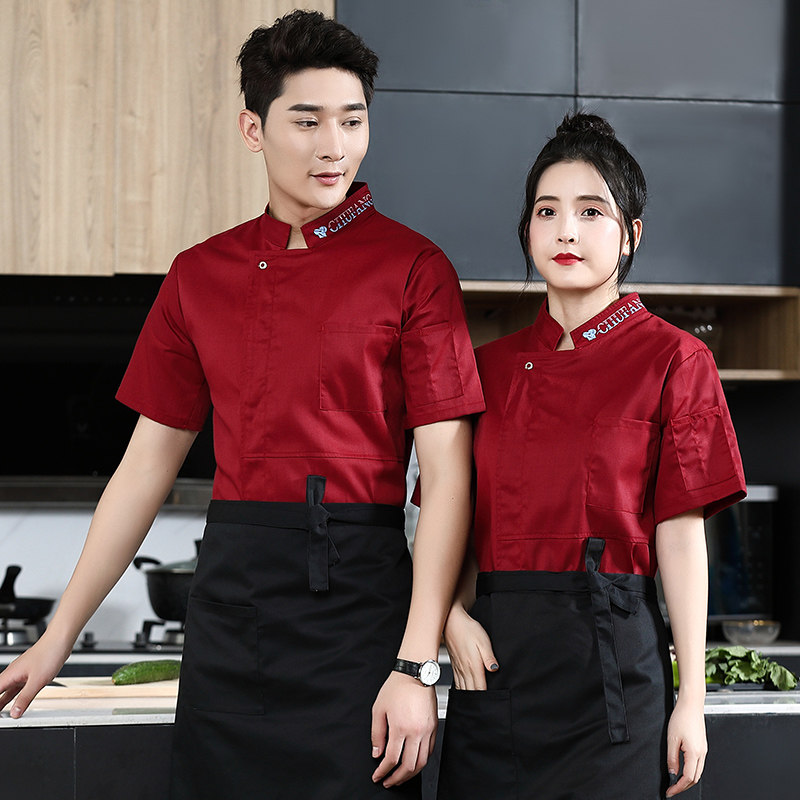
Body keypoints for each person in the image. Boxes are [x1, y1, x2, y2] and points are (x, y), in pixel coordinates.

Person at [0, 11, 484, 799]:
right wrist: (58, 637)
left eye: (353, 120)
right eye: (307, 121)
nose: (334, 146)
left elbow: (449, 479)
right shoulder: (199, 275)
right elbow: (144, 469)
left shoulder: (414, 269)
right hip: (231, 615)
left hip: (359, 617)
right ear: (253, 129)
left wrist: (415, 663)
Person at [436, 112, 746, 800]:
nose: (566, 231)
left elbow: (681, 538)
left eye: (591, 211)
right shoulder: (484, 370)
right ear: (526, 230)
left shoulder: (676, 360)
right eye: (547, 211)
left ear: (631, 234)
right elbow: (448, 525)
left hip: (613, 678)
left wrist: (691, 700)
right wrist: (449, 618)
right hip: (495, 677)